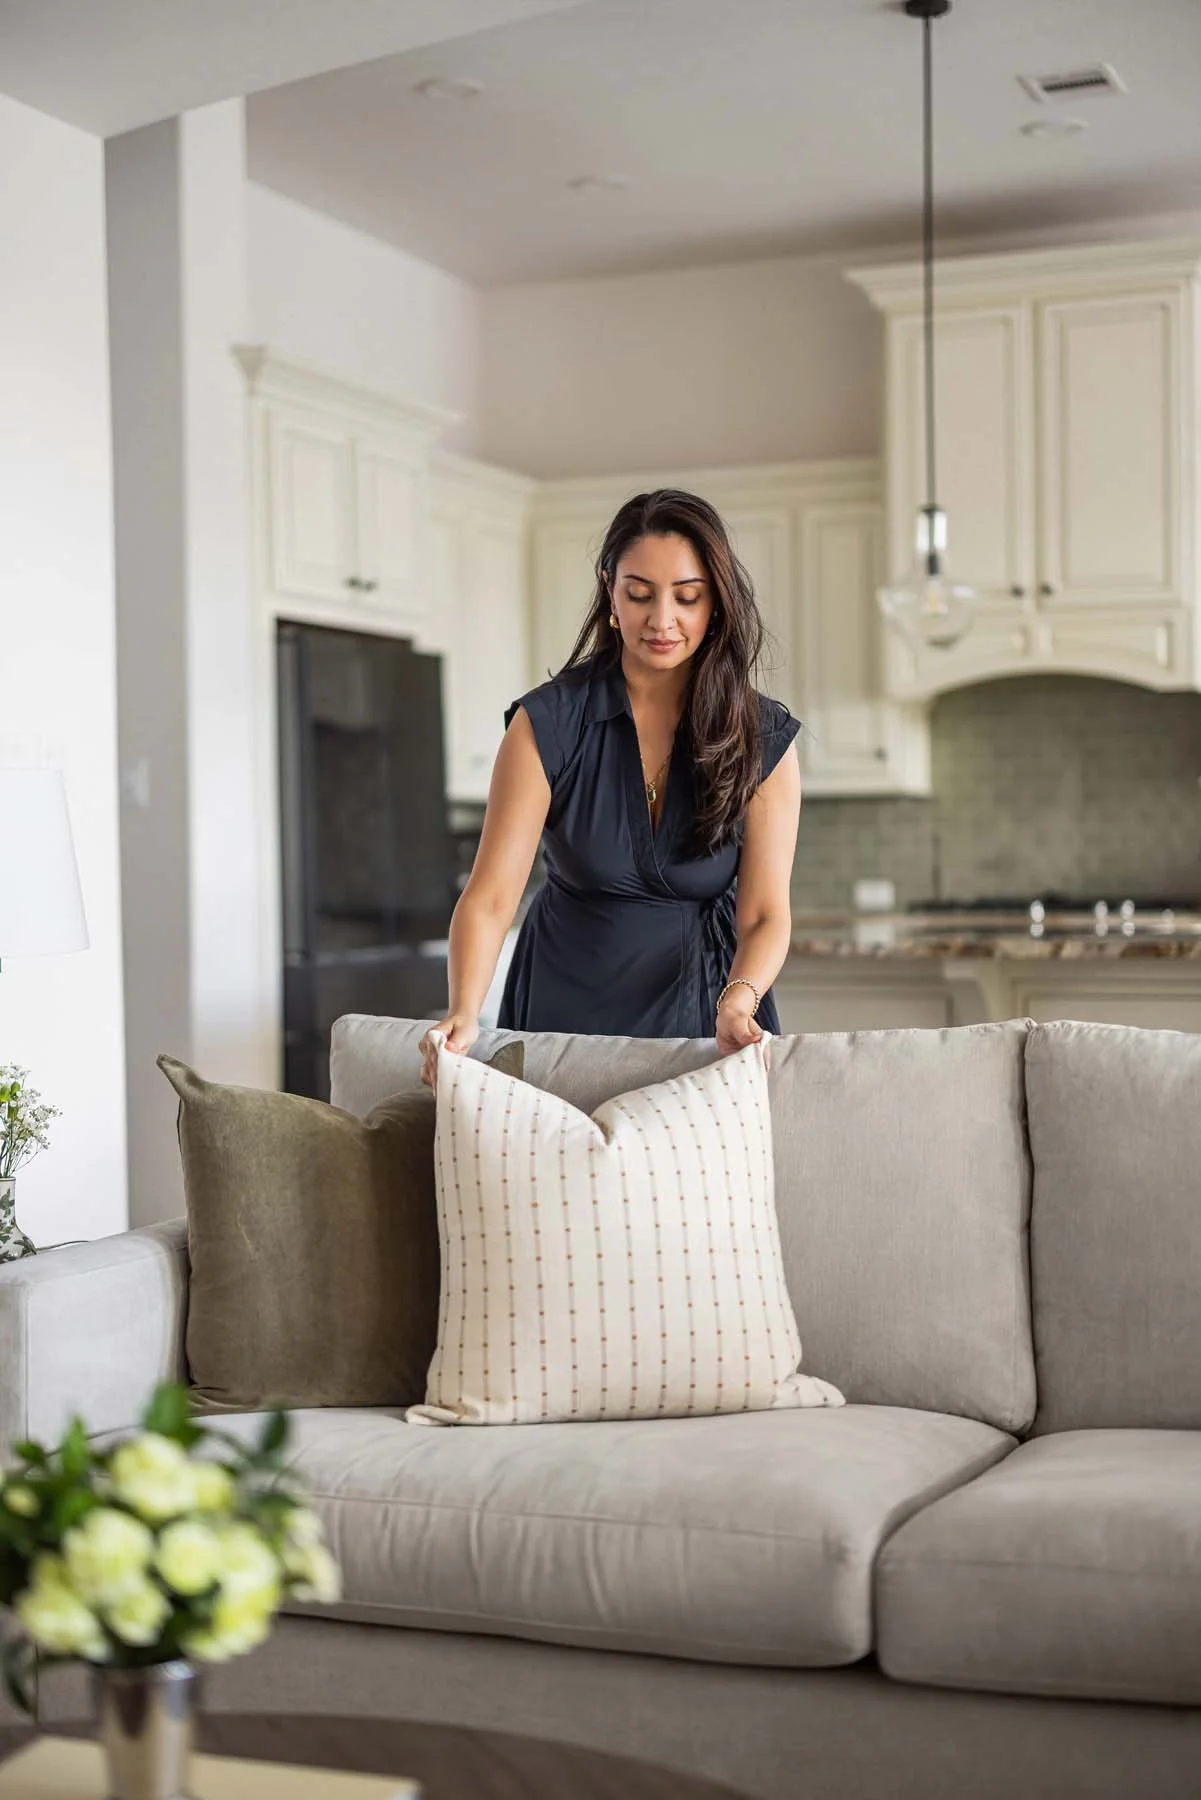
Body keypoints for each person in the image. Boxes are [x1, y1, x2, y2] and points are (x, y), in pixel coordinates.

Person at [419, 488, 801, 1088]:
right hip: (563, 1008)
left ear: (717, 604)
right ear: (610, 590)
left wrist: (741, 998)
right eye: (639, 594)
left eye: (688, 597)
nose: (662, 620)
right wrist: (465, 1009)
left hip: (707, 1008)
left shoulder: (761, 736)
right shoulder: (547, 723)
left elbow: (764, 914)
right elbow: (492, 896)